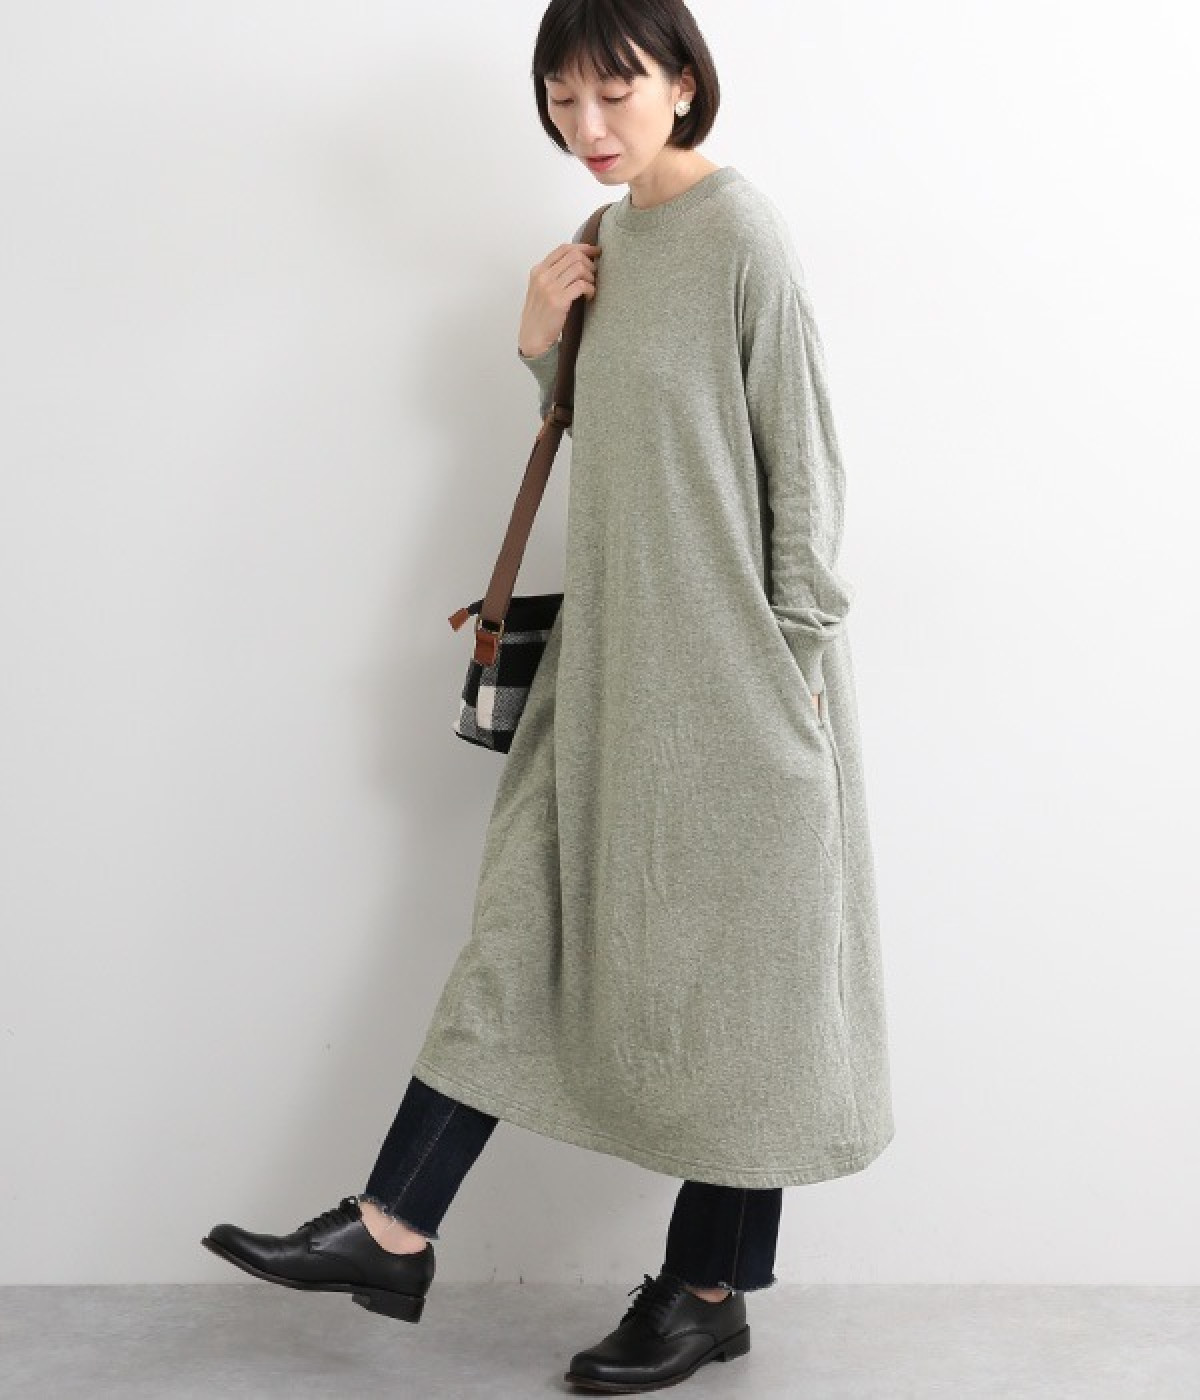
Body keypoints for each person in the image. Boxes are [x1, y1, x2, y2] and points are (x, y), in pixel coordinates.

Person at [202, 0, 894, 1391]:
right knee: (520, 928)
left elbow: (805, 464)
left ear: (683, 82)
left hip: (743, 679)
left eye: (613, 91)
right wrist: (539, 342)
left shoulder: (743, 237)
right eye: (562, 99)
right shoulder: (603, 242)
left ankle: (705, 1291)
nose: (587, 126)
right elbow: (620, 436)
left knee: (745, 992)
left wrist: (797, 655)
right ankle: (392, 1229)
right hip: (610, 667)